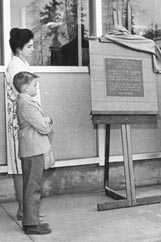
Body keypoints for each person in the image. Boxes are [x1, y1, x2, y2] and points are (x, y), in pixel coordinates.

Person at [5, 28, 42, 221]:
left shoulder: (21, 63)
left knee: (24, 167)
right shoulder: (16, 67)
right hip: (23, 125)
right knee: (22, 168)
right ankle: (25, 209)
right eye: (29, 46)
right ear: (19, 48)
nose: (33, 49)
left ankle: (27, 208)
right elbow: (26, 99)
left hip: (24, 122)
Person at [13, 71, 53, 235]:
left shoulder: (25, 101)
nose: (37, 88)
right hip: (33, 149)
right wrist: (48, 121)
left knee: (33, 185)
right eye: (34, 85)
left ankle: (33, 220)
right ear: (25, 88)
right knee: (33, 186)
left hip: (32, 148)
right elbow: (43, 127)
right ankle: (31, 224)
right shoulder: (27, 104)